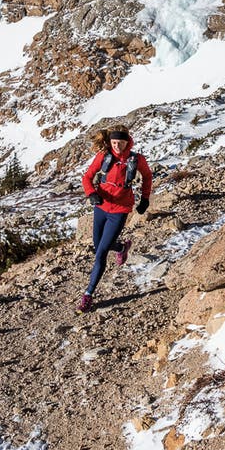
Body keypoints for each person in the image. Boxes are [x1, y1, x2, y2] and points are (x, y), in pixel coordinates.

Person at [79, 125, 152, 312]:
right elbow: (87, 177)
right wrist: (91, 193)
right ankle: (121, 247)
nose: (117, 146)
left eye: (120, 142)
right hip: (101, 206)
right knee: (98, 245)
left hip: (120, 209)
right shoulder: (104, 156)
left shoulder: (136, 159)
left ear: (128, 142)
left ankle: (88, 295)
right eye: (113, 143)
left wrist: (145, 199)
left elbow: (147, 176)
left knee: (101, 253)